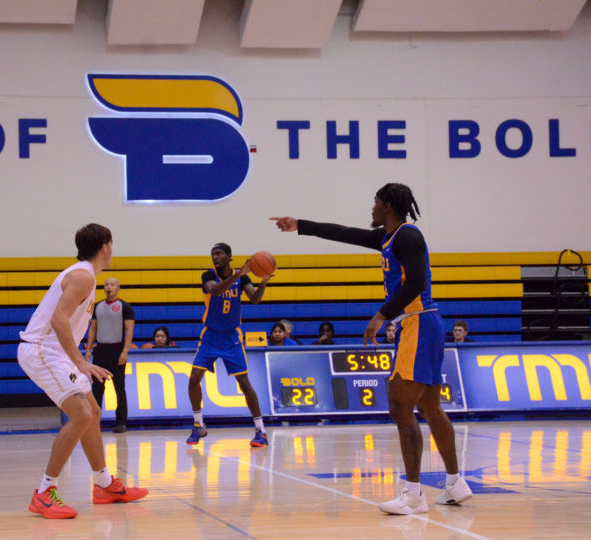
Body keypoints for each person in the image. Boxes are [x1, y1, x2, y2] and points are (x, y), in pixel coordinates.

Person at [271, 183, 473, 515]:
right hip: (426, 323)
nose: (372, 208)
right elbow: (345, 233)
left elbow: (417, 282)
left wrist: (382, 315)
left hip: (419, 322)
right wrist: (300, 226)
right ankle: (454, 483)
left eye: (376, 203)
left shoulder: (408, 236)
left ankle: (413, 495)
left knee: (399, 403)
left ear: (389, 205)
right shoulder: (387, 237)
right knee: (430, 406)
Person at [18, 224, 147, 519]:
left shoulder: (85, 275)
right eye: (111, 245)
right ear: (104, 247)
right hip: (42, 349)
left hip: (55, 351)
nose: (112, 250)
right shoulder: (83, 276)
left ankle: (104, 485)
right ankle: (44, 492)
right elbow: (59, 319)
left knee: (92, 413)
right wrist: (80, 361)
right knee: (82, 414)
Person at [186, 242, 271, 447]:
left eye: (219, 254)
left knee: (244, 383)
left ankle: (261, 430)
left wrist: (264, 282)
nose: (215, 257)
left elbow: (255, 299)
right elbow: (214, 291)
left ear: (229, 257)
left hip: (232, 338)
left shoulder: (243, 278)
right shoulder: (208, 276)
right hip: (211, 336)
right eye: (213, 254)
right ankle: (198, 425)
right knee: (194, 378)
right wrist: (238, 275)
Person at [85, 277, 134, 434]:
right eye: (106, 284)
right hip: (100, 351)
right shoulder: (97, 306)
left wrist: (125, 351)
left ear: (118, 288)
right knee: (97, 388)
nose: (109, 287)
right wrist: (88, 349)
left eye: (112, 285)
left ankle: (121, 422)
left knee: (119, 388)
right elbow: (93, 329)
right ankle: (94, 421)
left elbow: (129, 330)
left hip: (117, 350)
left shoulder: (125, 307)